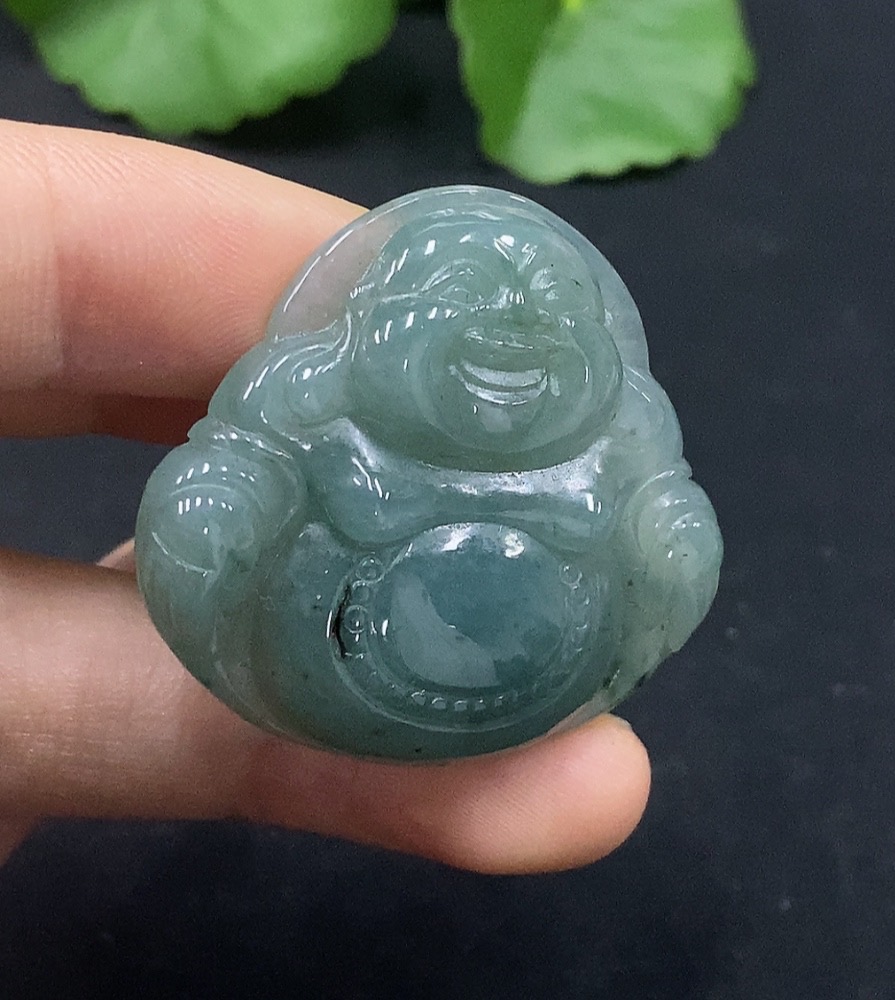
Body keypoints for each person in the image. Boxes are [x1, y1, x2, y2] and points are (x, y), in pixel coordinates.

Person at [0, 118, 650, 873]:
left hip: (546, 679)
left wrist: (668, 540)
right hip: (316, 662)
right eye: (462, 291)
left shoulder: (619, 439)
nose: (520, 320)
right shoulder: (308, 402)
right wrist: (211, 514)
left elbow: (658, 522)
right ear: (370, 322)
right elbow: (235, 468)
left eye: (557, 302)